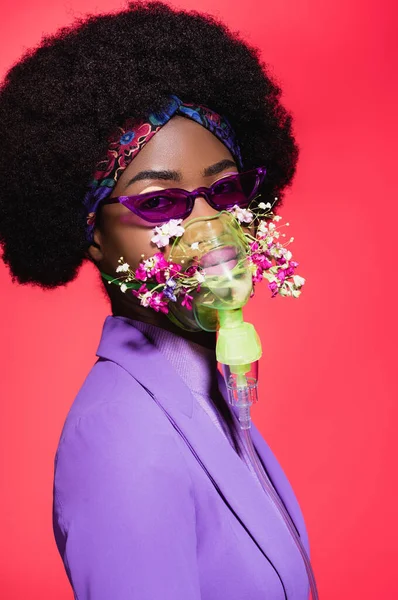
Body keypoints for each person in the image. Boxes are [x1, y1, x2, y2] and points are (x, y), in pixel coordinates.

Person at [0, 2, 312, 598]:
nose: (208, 226)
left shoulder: (204, 392)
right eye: (160, 204)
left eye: (223, 190)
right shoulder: (121, 436)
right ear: (91, 232)